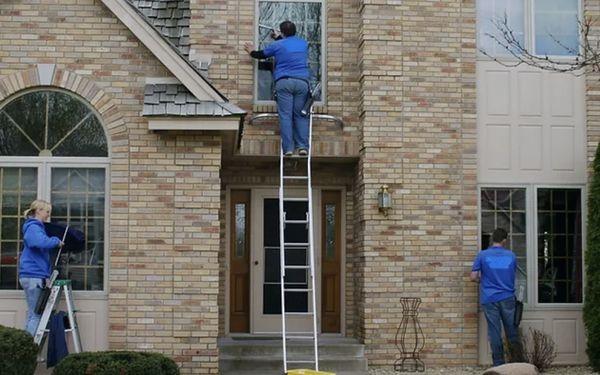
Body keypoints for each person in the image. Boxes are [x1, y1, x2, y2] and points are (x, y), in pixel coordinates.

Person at [244, 20, 310, 157]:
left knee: (286, 116)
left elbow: (261, 55)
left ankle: (289, 149)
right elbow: (289, 47)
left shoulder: (277, 45)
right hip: (302, 82)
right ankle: (302, 147)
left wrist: (251, 50)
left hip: (284, 82)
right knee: (300, 115)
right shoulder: (304, 44)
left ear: (282, 32)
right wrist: (280, 37)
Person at [470, 227, 521, 366]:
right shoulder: (511, 255)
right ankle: (517, 363)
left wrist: (483, 280)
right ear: (505, 240)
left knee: (494, 332)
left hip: (489, 299)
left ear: (493, 239)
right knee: (512, 330)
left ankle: (499, 365)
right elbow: (512, 274)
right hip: (507, 297)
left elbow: (473, 277)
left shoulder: (482, 255)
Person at [18, 200, 63, 336]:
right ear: (38, 210)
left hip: (32, 275)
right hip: (33, 275)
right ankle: (29, 352)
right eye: (47, 212)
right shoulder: (33, 227)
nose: (48, 215)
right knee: (36, 315)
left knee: (33, 315)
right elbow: (38, 242)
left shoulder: (36, 227)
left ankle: (28, 350)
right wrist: (56, 241)